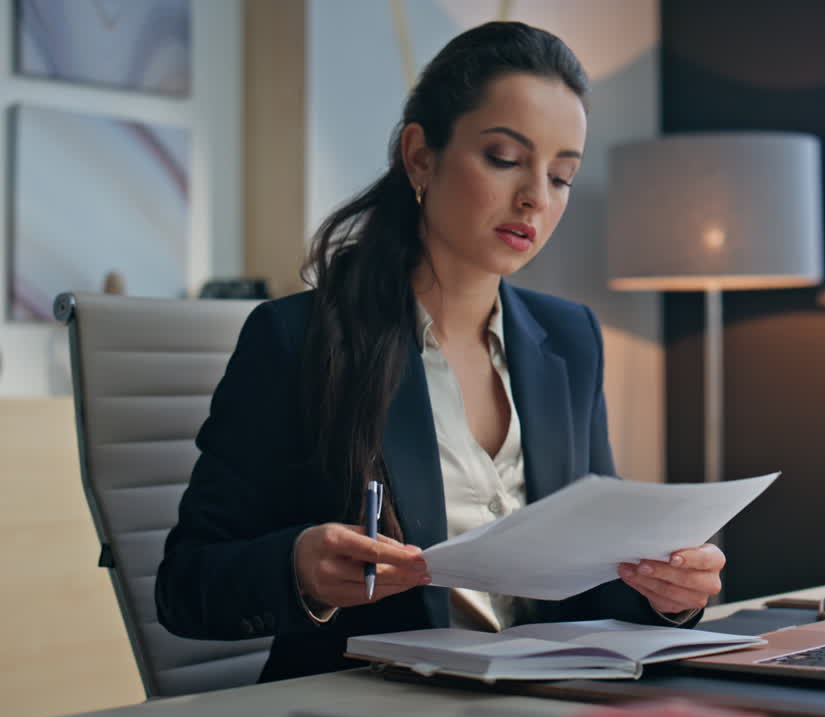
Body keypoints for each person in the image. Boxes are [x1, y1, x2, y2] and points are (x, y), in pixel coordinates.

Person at [156, 21, 725, 682]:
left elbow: (590, 588)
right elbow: (183, 586)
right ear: (420, 157)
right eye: (505, 159)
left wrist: (667, 591)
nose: (536, 197)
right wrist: (300, 571)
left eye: (562, 175)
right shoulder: (297, 340)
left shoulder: (570, 340)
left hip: (546, 699)